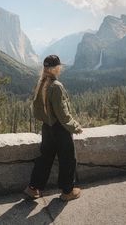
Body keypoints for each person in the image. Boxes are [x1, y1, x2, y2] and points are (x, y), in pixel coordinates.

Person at [24, 54, 83, 202]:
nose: (60, 68)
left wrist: (47, 121)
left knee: (45, 158)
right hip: (60, 129)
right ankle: (67, 191)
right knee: (68, 159)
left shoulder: (41, 82)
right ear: (56, 68)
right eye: (59, 66)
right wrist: (75, 127)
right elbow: (63, 114)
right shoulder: (56, 86)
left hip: (47, 128)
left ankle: (33, 188)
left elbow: (36, 110)